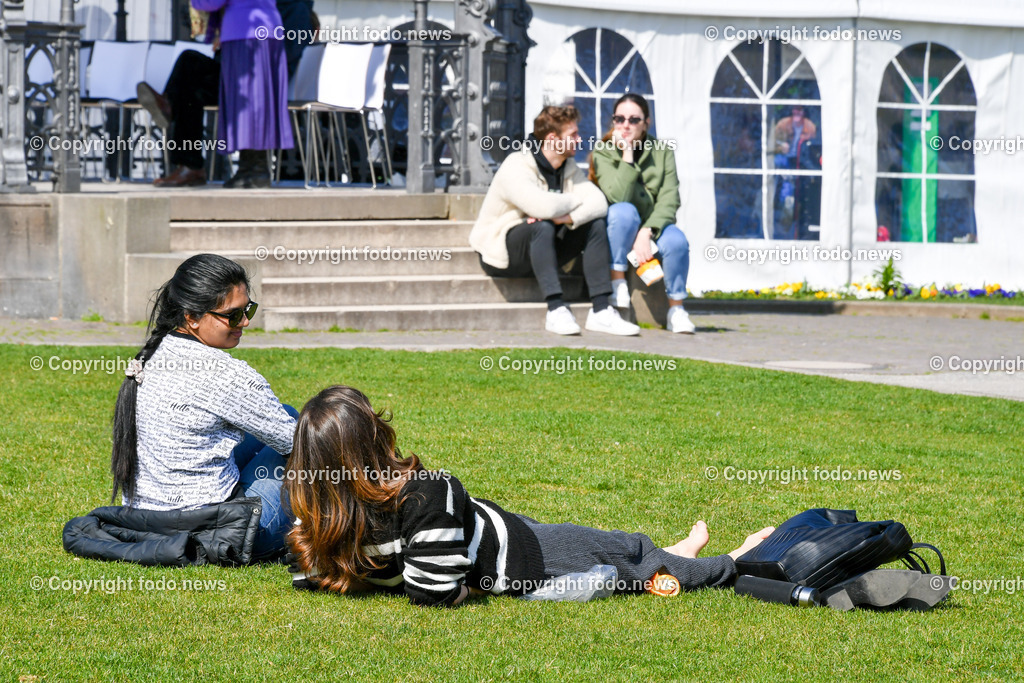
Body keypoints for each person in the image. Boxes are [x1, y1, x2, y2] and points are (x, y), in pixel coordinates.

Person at [284, 385, 775, 606]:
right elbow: (432, 592)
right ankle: (730, 562)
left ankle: (680, 552)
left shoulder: (318, 516)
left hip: (493, 529)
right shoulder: (428, 494)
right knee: (629, 554)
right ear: (373, 441)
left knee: (616, 546)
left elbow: (310, 576)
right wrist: (472, 587)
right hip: (521, 557)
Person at [109, 254, 297, 560]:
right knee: (304, 438)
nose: (246, 322)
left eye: (248, 310)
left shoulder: (154, 352)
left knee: (285, 417)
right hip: (220, 534)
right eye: (233, 315)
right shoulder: (226, 375)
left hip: (148, 523)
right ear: (192, 316)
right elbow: (300, 444)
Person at [469, 105, 639, 336]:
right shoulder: (517, 164)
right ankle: (556, 309)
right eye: (573, 135)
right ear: (553, 138)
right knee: (542, 225)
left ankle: (601, 310)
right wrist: (571, 202)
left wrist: (566, 217)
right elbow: (543, 207)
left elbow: (599, 203)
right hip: (502, 253)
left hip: (544, 249)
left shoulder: (566, 167)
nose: (579, 140)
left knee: (594, 224)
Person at [590, 94, 695, 334]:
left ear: (646, 123)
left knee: (677, 241)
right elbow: (618, 196)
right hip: (621, 227)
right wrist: (627, 154)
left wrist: (647, 231)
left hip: (653, 225)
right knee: (623, 212)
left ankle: (676, 309)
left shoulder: (661, 151)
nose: (625, 125)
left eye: (633, 120)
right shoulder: (604, 151)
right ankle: (617, 281)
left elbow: (670, 199)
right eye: (619, 119)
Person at [190, 0, 295, 188]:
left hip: (245, 31)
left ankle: (257, 170)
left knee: (249, 103)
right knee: (258, 101)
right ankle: (250, 168)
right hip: (262, 28)